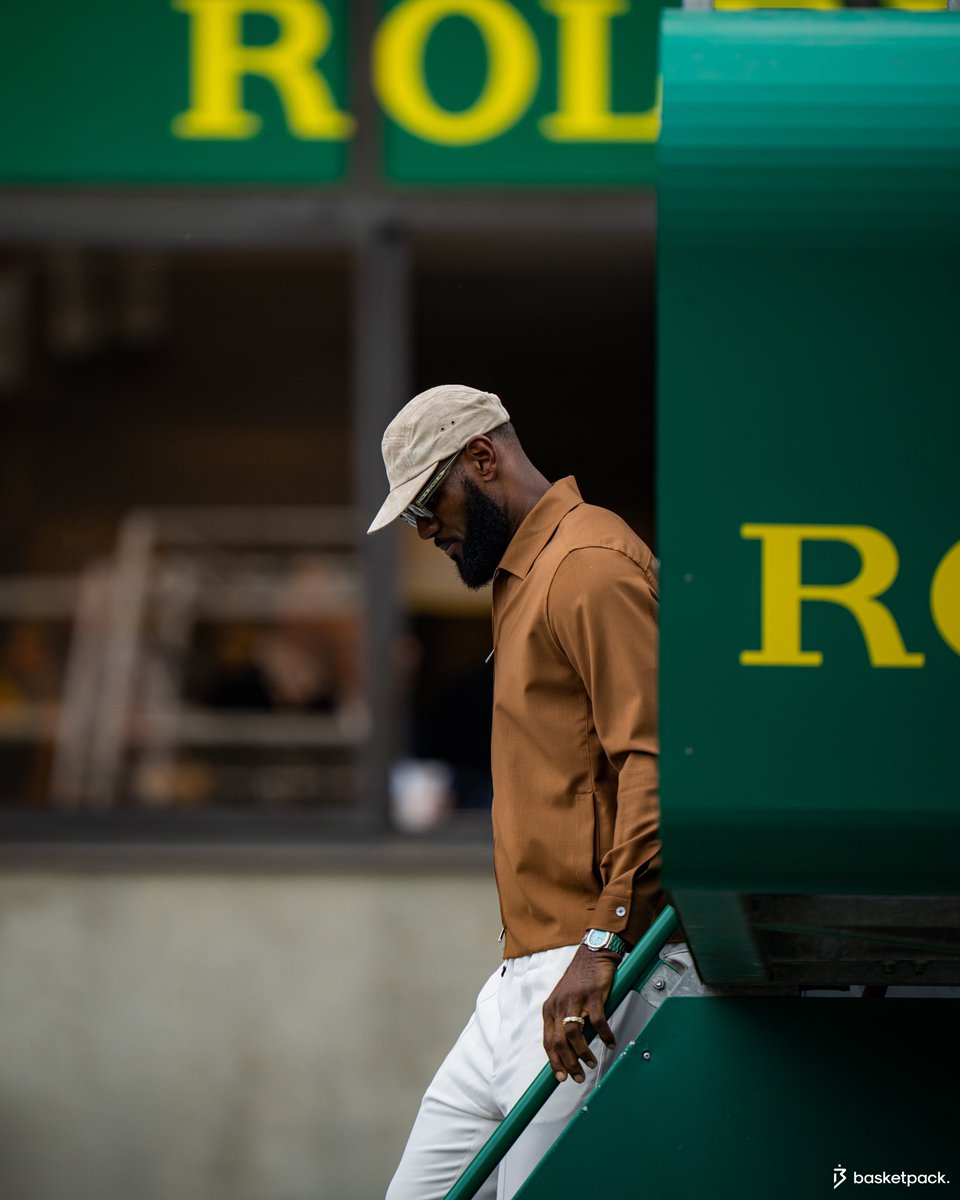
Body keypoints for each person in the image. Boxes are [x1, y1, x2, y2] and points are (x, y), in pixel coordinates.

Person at [369, 385, 701, 1200]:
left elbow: (657, 759)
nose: (425, 531)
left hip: (596, 972)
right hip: (526, 978)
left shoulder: (587, 565)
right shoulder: (525, 574)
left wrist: (605, 944)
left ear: (483, 458)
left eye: (427, 503)